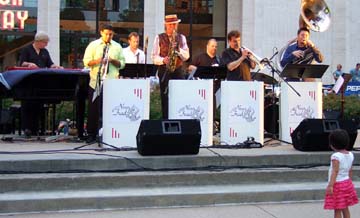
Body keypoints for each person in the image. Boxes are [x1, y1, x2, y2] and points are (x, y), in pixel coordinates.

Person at [83, 24, 125, 143]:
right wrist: (98, 60)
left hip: (111, 82)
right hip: (96, 81)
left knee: (110, 109)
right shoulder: (94, 45)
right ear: (101, 33)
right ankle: (91, 134)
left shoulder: (117, 46)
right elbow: (86, 62)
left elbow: (122, 63)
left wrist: (112, 60)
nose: (108, 36)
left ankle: (108, 134)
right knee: (93, 109)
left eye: (111, 34)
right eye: (106, 34)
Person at [19, 31, 62, 136]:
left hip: (40, 82)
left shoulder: (45, 52)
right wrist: (29, 64)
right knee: (27, 105)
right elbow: (22, 63)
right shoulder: (27, 49)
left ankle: (37, 128)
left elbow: (49, 64)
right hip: (28, 81)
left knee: (38, 105)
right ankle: (27, 128)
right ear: (38, 41)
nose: (46, 45)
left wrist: (55, 66)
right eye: (45, 42)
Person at [151, 14, 189, 118]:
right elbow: (154, 57)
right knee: (165, 97)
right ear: (166, 26)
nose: (173, 27)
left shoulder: (181, 38)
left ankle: (179, 119)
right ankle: (166, 120)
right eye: (171, 25)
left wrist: (178, 50)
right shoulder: (159, 37)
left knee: (179, 96)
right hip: (164, 71)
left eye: (175, 25)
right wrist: (163, 60)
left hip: (178, 70)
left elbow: (186, 56)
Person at [188, 39, 222, 133]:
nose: (214, 48)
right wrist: (200, 71)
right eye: (212, 46)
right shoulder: (200, 57)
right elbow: (190, 67)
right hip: (201, 89)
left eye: (216, 46)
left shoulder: (219, 59)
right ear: (207, 46)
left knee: (212, 110)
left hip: (214, 90)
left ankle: (211, 128)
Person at [324, 129, 358, 218]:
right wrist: (349, 181)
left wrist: (330, 185)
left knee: (337, 209)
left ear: (333, 145)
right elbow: (350, 170)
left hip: (337, 185)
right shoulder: (350, 154)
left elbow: (335, 171)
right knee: (345, 207)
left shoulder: (336, 156)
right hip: (347, 183)